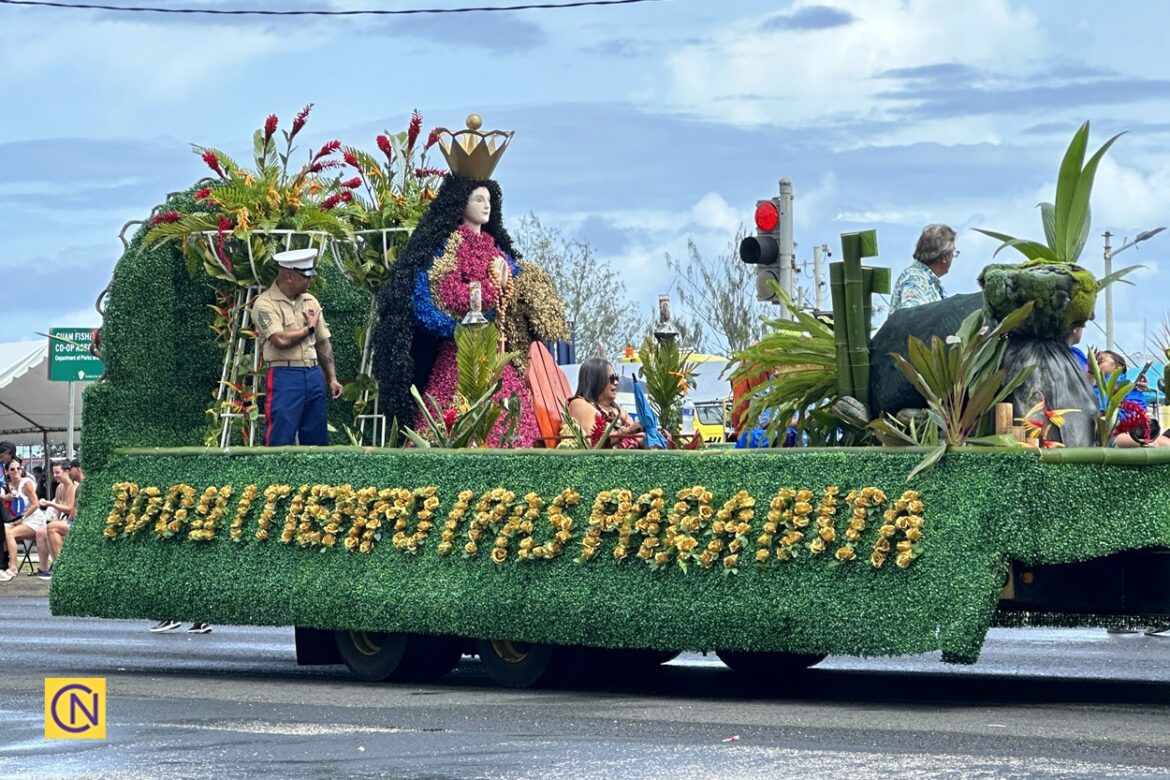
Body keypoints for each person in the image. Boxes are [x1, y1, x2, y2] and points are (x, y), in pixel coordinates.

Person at [373, 173, 568, 447]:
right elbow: (446, 291)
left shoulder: (497, 251)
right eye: (478, 199)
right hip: (459, 352)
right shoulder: (451, 247)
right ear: (461, 203)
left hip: (495, 353)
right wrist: (491, 286)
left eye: (488, 200)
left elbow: (512, 290)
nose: (486, 205)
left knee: (509, 417)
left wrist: (516, 285)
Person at [251, 248, 345, 446]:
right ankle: (274, 476)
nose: (309, 280)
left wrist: (332, 378)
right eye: (305, 276)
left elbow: (323, 342)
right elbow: (280, 340)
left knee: (316, 436)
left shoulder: (311, 301)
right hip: (284, 375)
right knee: (280, 434)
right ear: (288, 275)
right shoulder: (264, 303)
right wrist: (308, 328)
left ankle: (315, 477)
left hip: (312, 373)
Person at [564, 358, 644, 447]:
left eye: (617, 378)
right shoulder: (579, 404)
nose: (617, 383)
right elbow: (593, 443)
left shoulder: (616, 409)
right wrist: (627, 431)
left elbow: (637, 433)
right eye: (612, 378)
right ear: (595, 380)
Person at [2, 457, 51, 580]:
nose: (16, 471)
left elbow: (35, 504)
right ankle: (5, 563)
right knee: (4, 531)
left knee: (10, 534)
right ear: (7, 471)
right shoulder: (8, 486)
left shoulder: (26, 483)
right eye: (12, 469)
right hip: (21, 520)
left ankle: (13, 567)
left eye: (18, 468)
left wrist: (22, 518)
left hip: (34, 519)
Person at [890, 224, 957, 312]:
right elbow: (912, 317)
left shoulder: (928, 280)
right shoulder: (915, 279)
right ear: (944, 256)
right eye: (953, 253)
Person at [34, 460, 75, 579]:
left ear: (66, 472)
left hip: (72, 521)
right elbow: (57, 512)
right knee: (41, 531)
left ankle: (61, 567)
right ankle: (43, 569)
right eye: (54, 473)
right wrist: (53, 519)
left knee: (51, 529)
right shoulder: (59, 488)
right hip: (63, 521)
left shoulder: (73, 487)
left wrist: (49, 504)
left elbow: (69, 509)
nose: (55, 475)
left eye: (58, 472)